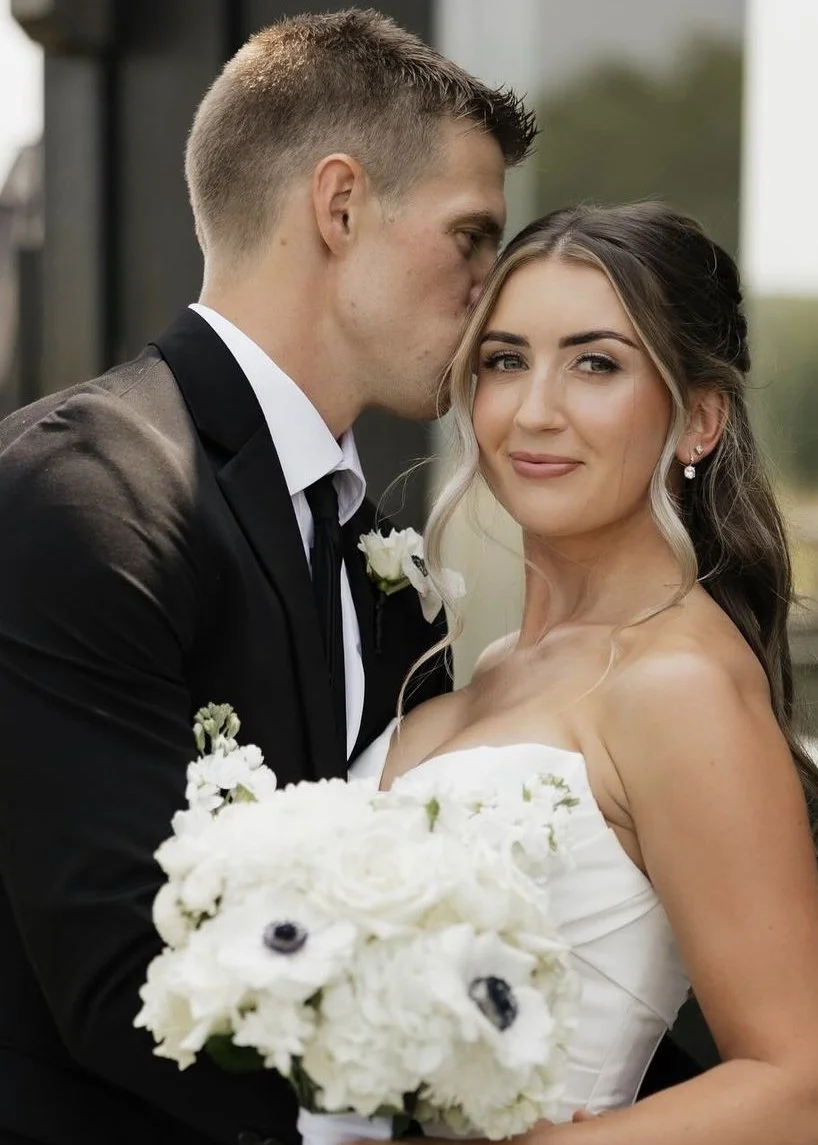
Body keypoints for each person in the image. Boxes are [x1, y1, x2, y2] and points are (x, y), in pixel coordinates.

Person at [0, 11, 536, 1145]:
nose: (489, 295)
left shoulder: (375, 559)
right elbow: (114, 975)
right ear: (339, 206)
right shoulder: (87, 491)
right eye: (470, 239)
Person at [352, 202, 818, 1143]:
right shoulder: (490, 665)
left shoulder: (678, 682)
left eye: (596, 363)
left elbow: (796, 1084)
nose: (534, 409)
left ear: (698, 420)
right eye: (505, 360)